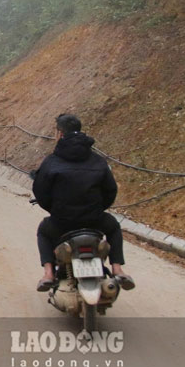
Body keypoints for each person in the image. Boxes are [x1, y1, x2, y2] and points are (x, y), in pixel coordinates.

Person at [31, 113, 134, 292]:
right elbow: (110, 190)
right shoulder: (98, 161)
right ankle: (117, 269)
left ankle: (48, 274)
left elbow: (40, 192)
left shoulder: (52, 162)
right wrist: (97, 209)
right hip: (94, 220)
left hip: (62, 221)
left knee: (44, 231)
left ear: (60, 134)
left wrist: (55, 210)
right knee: (113, 227)